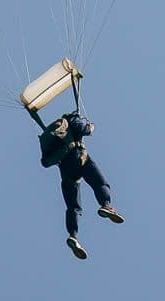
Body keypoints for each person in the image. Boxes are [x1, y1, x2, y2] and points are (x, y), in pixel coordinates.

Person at [39, 110, 123, 259]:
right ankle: (106, 205)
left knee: (73, 206)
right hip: (79, 158)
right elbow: (83, 129)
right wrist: (90, 127)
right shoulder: (72, 119)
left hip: (65, 169)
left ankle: (73, 235)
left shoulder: (53, 133)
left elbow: (46, 161)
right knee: (100, 183)